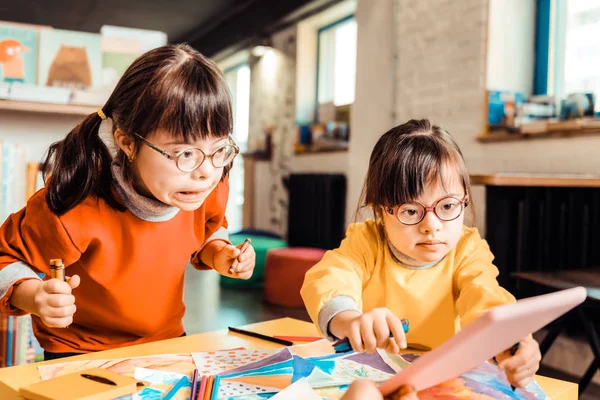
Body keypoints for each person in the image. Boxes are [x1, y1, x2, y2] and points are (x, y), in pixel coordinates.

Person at [0, 44, 255, 360]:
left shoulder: (205, 185)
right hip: (82, 353)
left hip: (167, 342)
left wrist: (220, 254)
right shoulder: (76, 202)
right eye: (185, 153)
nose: (206, 172)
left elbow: (208, 229)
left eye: (219, 150)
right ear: (128, 142)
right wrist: (34, 296)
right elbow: (5, 259)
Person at [301, 119, 540, 388]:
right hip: (367, 375)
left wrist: (512, 344)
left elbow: (486, 297)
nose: (432, 226)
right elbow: (330, 278)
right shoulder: (367, 242)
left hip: (440, 380)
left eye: (448, 206)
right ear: (380, 211)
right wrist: (350, 321)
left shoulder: (466, 249)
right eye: (411, 211)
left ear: (464, 199)